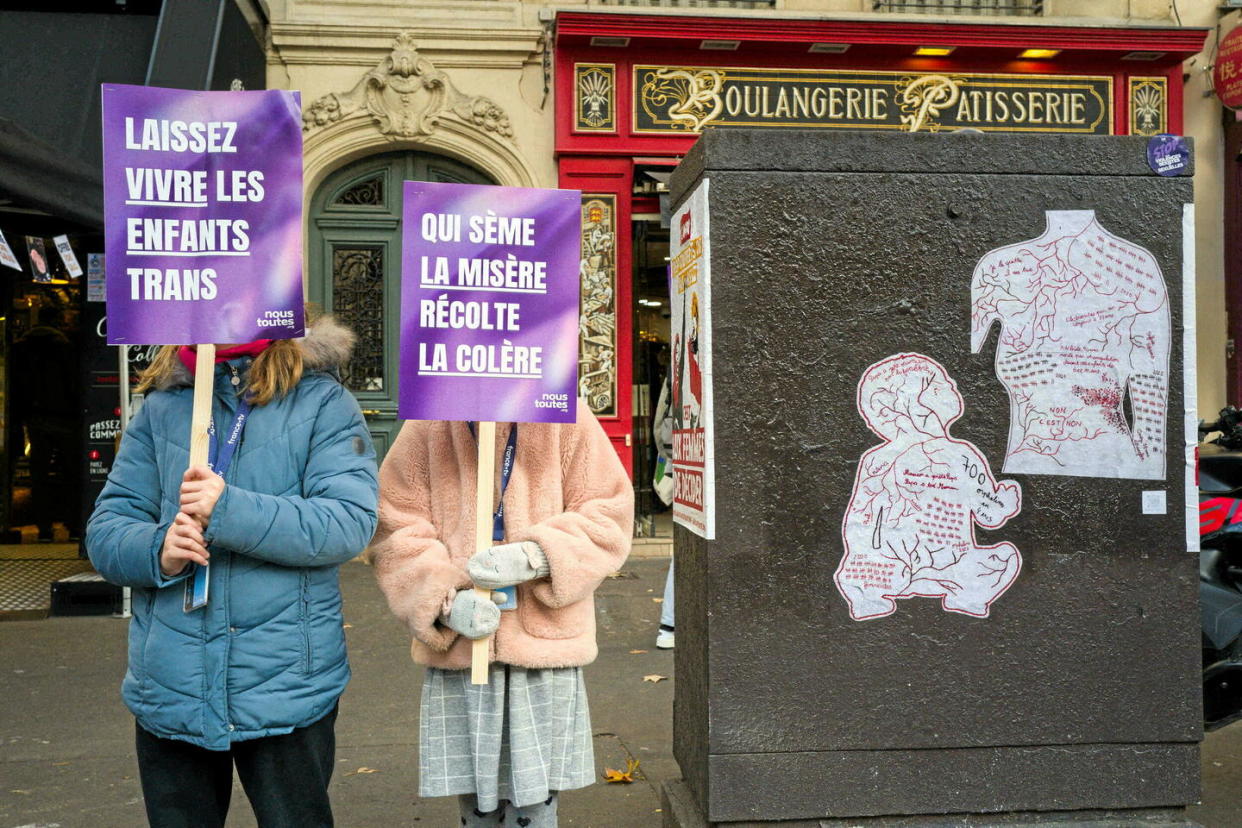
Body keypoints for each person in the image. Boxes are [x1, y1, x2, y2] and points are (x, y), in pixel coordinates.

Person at [85, 316, 378, 828]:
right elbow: (106, 531)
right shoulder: (161, 406)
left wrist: (228, 511)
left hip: (286, 684)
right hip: (172, 685)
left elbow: (348, 523)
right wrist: (158, 549)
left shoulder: (322, 404)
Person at [369, 398, 632, 827]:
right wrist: (443, 599)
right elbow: (394, 522)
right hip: (463, 649)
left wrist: (539, 556)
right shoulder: (431, 419)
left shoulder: (564, 412)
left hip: (543, 648)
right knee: (475, 802)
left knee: (537, 800)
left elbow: (608, 511)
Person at [12, 305, 78, 540]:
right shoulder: (65, 347)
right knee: (70, 473)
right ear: (58, 320)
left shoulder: (21, 347)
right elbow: (72, 383)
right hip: (65, 418)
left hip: (36, 419)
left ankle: (43, 527)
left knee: (38, 474)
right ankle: (73, 526)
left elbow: (16, 387)